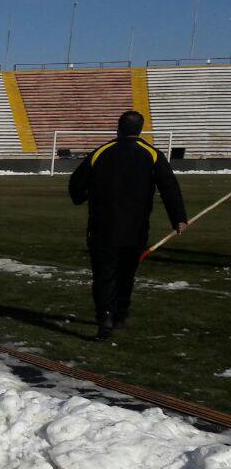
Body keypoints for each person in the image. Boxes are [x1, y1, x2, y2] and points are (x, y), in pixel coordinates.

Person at [70, 109, 187, 341]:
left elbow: (76, 183)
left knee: (104, 273)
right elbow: (169, 188)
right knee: (126, 272)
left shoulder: (101, 152)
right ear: (140, 130)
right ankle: (120, 315)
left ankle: (104, 317)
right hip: (135, 228)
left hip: (102, 227)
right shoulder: (152, 154)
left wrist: (81, 197)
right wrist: (179, 218)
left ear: (118, 128)